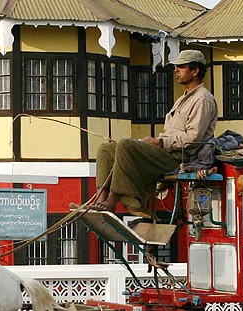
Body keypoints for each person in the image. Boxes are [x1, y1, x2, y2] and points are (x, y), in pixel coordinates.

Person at [91, 49, 218, 216]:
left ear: (195, 71)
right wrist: (151, 142)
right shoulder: (183, 99)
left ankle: (112, 201)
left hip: (179, 157)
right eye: (176, 67)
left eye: (181, 67)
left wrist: (159, 143)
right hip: (165, 151)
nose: (176, 71)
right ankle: (101, 198)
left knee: (126, 145)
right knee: (106, 149)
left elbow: (193, 138)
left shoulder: (202, 99)